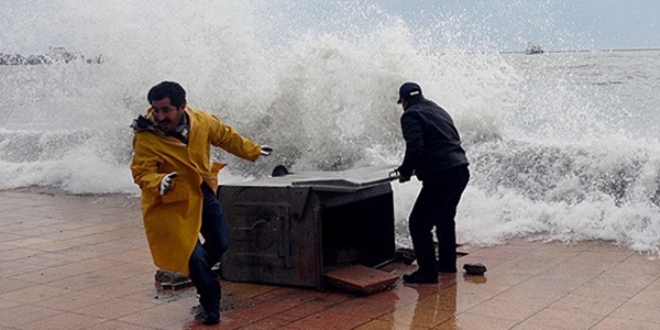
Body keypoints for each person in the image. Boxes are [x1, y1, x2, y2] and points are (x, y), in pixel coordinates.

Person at [130, 81, 272, 324]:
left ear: (182, 107)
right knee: (193, 256)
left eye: (166, 110)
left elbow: (226, 136)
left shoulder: (201, 121)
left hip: (201, 191)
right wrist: (159, 181)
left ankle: (199, 275)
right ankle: (210, 304)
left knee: (221, 242)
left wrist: (253, 150)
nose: (160, 116)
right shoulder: (146, 137)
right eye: (156, 110)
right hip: (169, 202)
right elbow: (141, 172)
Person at [395, 82, 470, 284]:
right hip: (460, 170)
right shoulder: (438, 109)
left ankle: (427, 272)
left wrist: (405, 171)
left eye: (401, 102)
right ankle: (446, 264)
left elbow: (415, 147)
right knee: (445, 218)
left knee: (418, 223)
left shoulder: (410, 114)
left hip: (442, 175)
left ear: (404, 100)